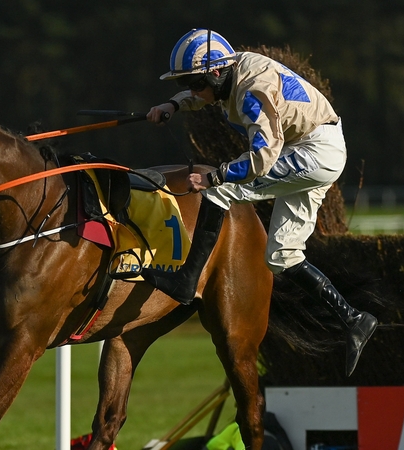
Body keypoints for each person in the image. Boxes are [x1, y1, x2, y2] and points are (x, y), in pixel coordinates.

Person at [142, 28, 377, 376]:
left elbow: (262, 158)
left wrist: (214, 176)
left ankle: (186, 281)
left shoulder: (252, 91)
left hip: (315, 152)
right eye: (186, 84)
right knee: (282, 256)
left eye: (194, 82)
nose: (193, 90)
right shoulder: (230, 73)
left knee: (219, 191)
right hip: (318, 146)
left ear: (217, 72)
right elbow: (209, 95)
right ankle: (355, 320)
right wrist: (173, 104)